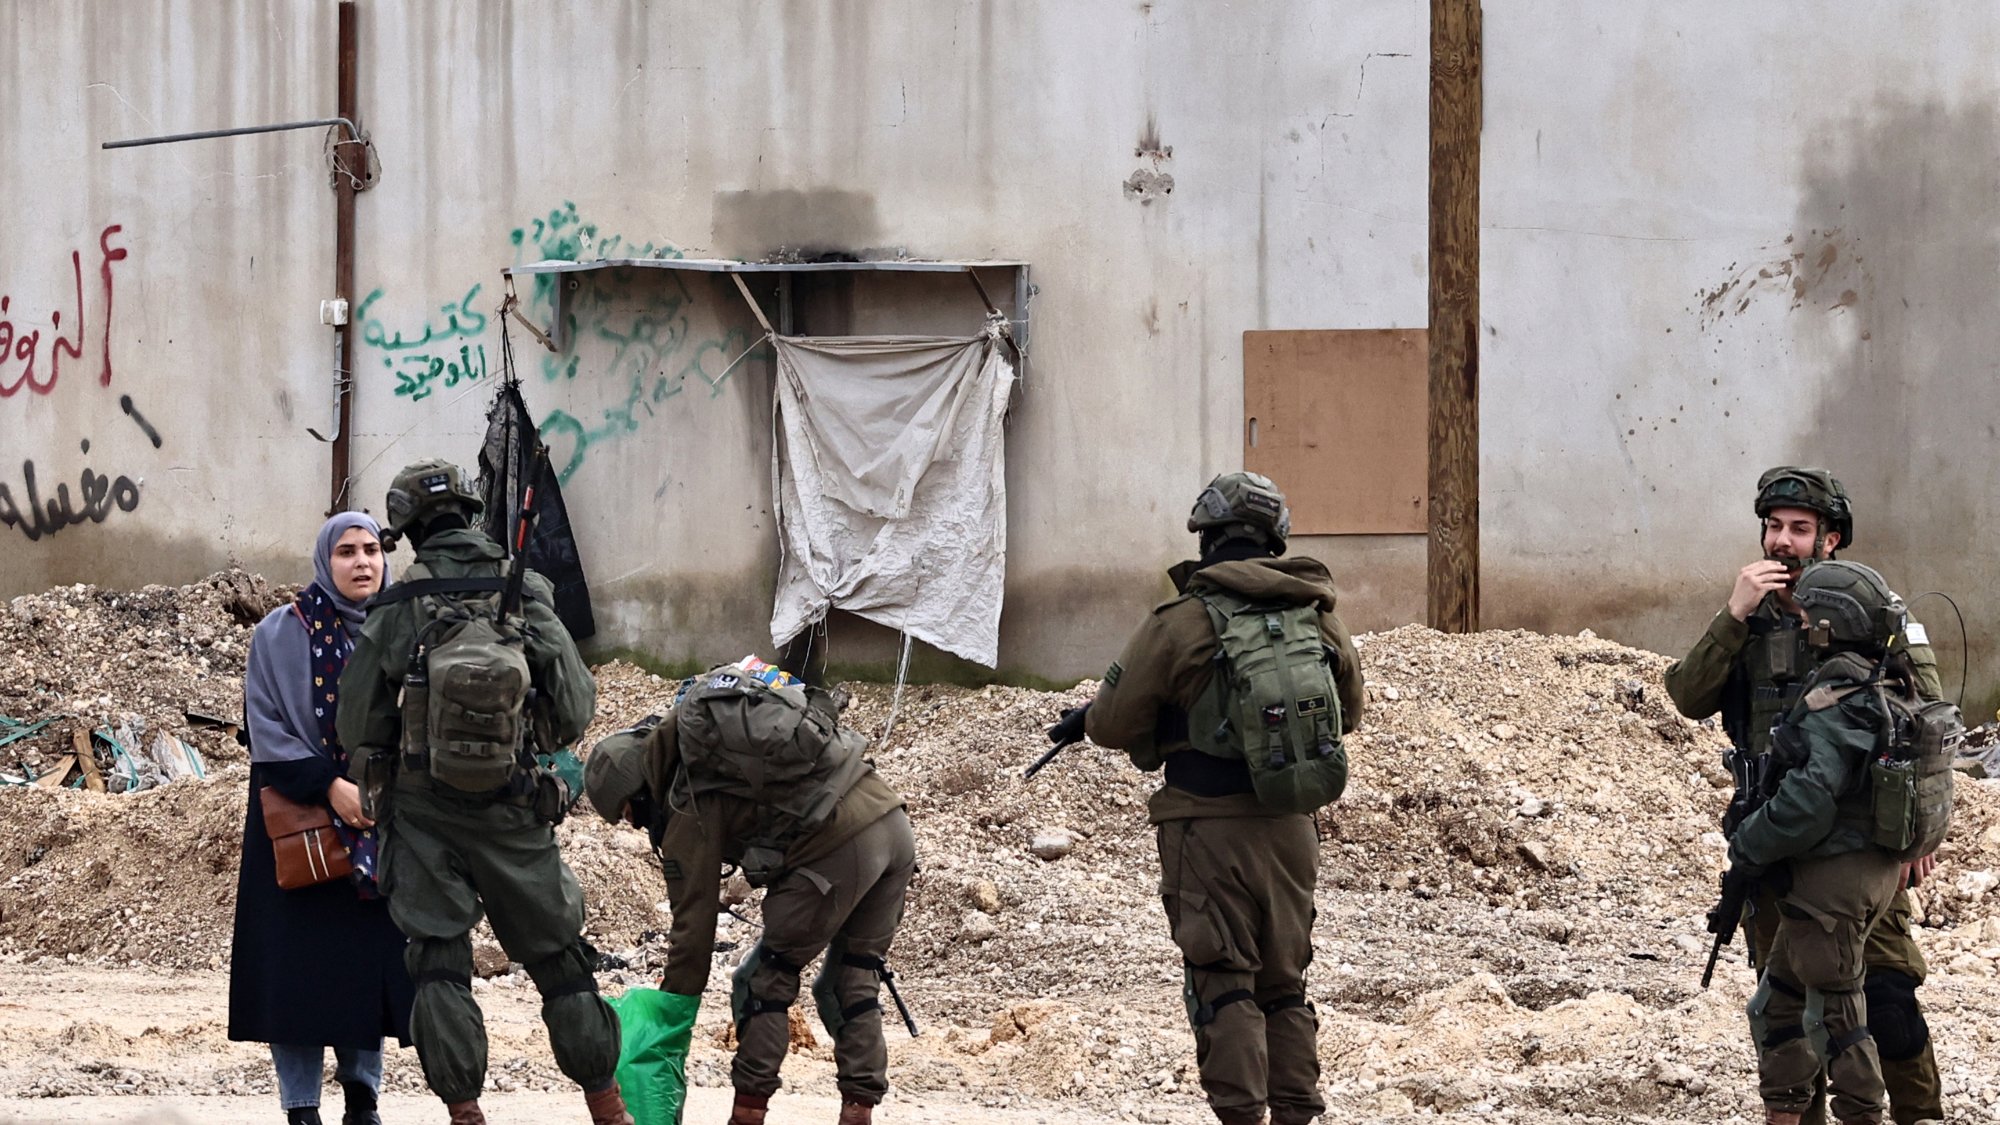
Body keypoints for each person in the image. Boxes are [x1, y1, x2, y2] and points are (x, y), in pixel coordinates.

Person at [1061, 471, 1364, 1125]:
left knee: (1223, 982)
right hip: (1292, 830)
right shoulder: (1318, 616)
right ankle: (1295, 1113)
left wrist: (1092, 717)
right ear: (1275, 539)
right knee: (1284, 985)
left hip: (1207, 829)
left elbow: (1113, 722)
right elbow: (1350, 714)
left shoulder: (1180, 622)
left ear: (1207, 538)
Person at [335, 459, 627, 1125]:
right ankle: (608, 1108)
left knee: (439, 966)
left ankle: (466, 1113)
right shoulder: (522, 590)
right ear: (469, 512)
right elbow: (576, 706)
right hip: (516, 809)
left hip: (422, 816)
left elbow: (357, 724)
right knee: (560, 960)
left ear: (406, 528)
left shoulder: (397, 604)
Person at [1665, 468, 1945, 1125]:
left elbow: (1930, 721)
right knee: (1789, 1016)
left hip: (1857, 845)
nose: (1782, 541)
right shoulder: (1749, 616)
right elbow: (1687, 695)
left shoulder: (1871, 608)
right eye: (1773, 526)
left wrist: (1921, 830)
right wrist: (1733, 614)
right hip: (1778, 838)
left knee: (1889, 999)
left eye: (1799, 528)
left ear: (1830, 538)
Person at [583, 663, 917, 1125]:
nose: (638, 825)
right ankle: (858, 1111)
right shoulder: (710, 758)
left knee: (763, 980)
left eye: (629, 814)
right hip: (892, 824)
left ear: (637, 791)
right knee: (852, 977)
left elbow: (693, 929)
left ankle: (746, 1116)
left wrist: (671, 1016)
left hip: (838, 845)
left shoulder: (685, 797)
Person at [1723, 560, 1935, 1125]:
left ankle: (1862, 1113)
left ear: (1830, 622)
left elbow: (1807, 804)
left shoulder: (1835, 698)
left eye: (1809, 617)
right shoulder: (1885, 682)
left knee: (1838, 1020)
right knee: (1776, 1004)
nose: (1801, 624)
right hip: (1861, 876)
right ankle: (1787, 1111)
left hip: (1833, 885)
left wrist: (1748, 843)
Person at [229, 512, 412, 1125]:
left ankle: (363, 1098)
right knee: (296, 977)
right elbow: (265, 730)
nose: (363, 562)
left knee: (365, 970)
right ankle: (301, 1107)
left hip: (378, 822)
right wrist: (333, 787)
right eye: (347, 552)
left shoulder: (403, 630)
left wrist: (377, 790)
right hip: (297, 821)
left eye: (372, 550)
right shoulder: (279, 633)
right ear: (323, 561)